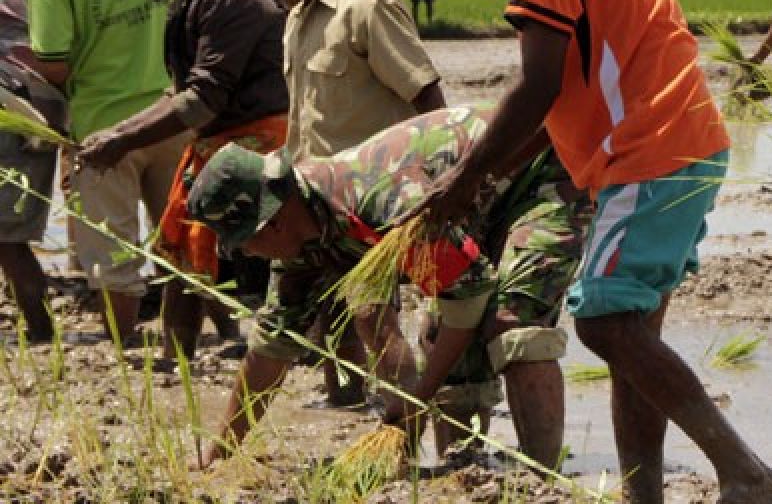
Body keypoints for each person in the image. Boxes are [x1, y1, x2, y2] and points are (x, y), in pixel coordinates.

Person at [417, 0, 772, 504]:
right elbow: (556, 94)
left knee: (602, 320)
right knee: (632, 337)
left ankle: (747, 474)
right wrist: (493, 175)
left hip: (648, 152)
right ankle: (642, 493)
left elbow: (535, 85)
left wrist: (465, 179)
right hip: (675, 144)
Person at [187, 107, 587, 471]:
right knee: (439, 340)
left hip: (539, 171)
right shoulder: (302, 246)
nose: (250, 256)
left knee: (512, 321)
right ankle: (465, 466)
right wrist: (220, 454)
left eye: (246, 245)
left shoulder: (385, 202)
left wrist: (416, 399)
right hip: (470, 206)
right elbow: (270, 351)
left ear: (268, 223)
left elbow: (469, 297)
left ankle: (541, 482)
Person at [76, 0, 289, 361]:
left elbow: (200, 101)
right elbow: (180, 93)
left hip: (255, 140)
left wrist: (119, 141)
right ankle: (177, 359)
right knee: (181, 252)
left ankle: (331, 371)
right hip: (223, 138)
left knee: (275, 265)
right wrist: (113, 135)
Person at [259, 0, 445, 405]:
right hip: (308, 199)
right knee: (310, 311)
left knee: (373, 316)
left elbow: (429, 102)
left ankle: (403, 422)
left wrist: (431, 191)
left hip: (367, 202)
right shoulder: (297, 18)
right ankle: (345, 401)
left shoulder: (366, 7)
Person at [14, 0, 186, 345]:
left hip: (105, 124)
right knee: (182, 233)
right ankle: (191, 336)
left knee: (112, 245)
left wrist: (26, 70)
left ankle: (127, 342)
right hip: (173, 108)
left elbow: (55, 60)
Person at [0, 0, 65, 342]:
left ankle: (41, 331)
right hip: (39, 101)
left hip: (12, 102)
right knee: (10, 237)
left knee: (6, 239)